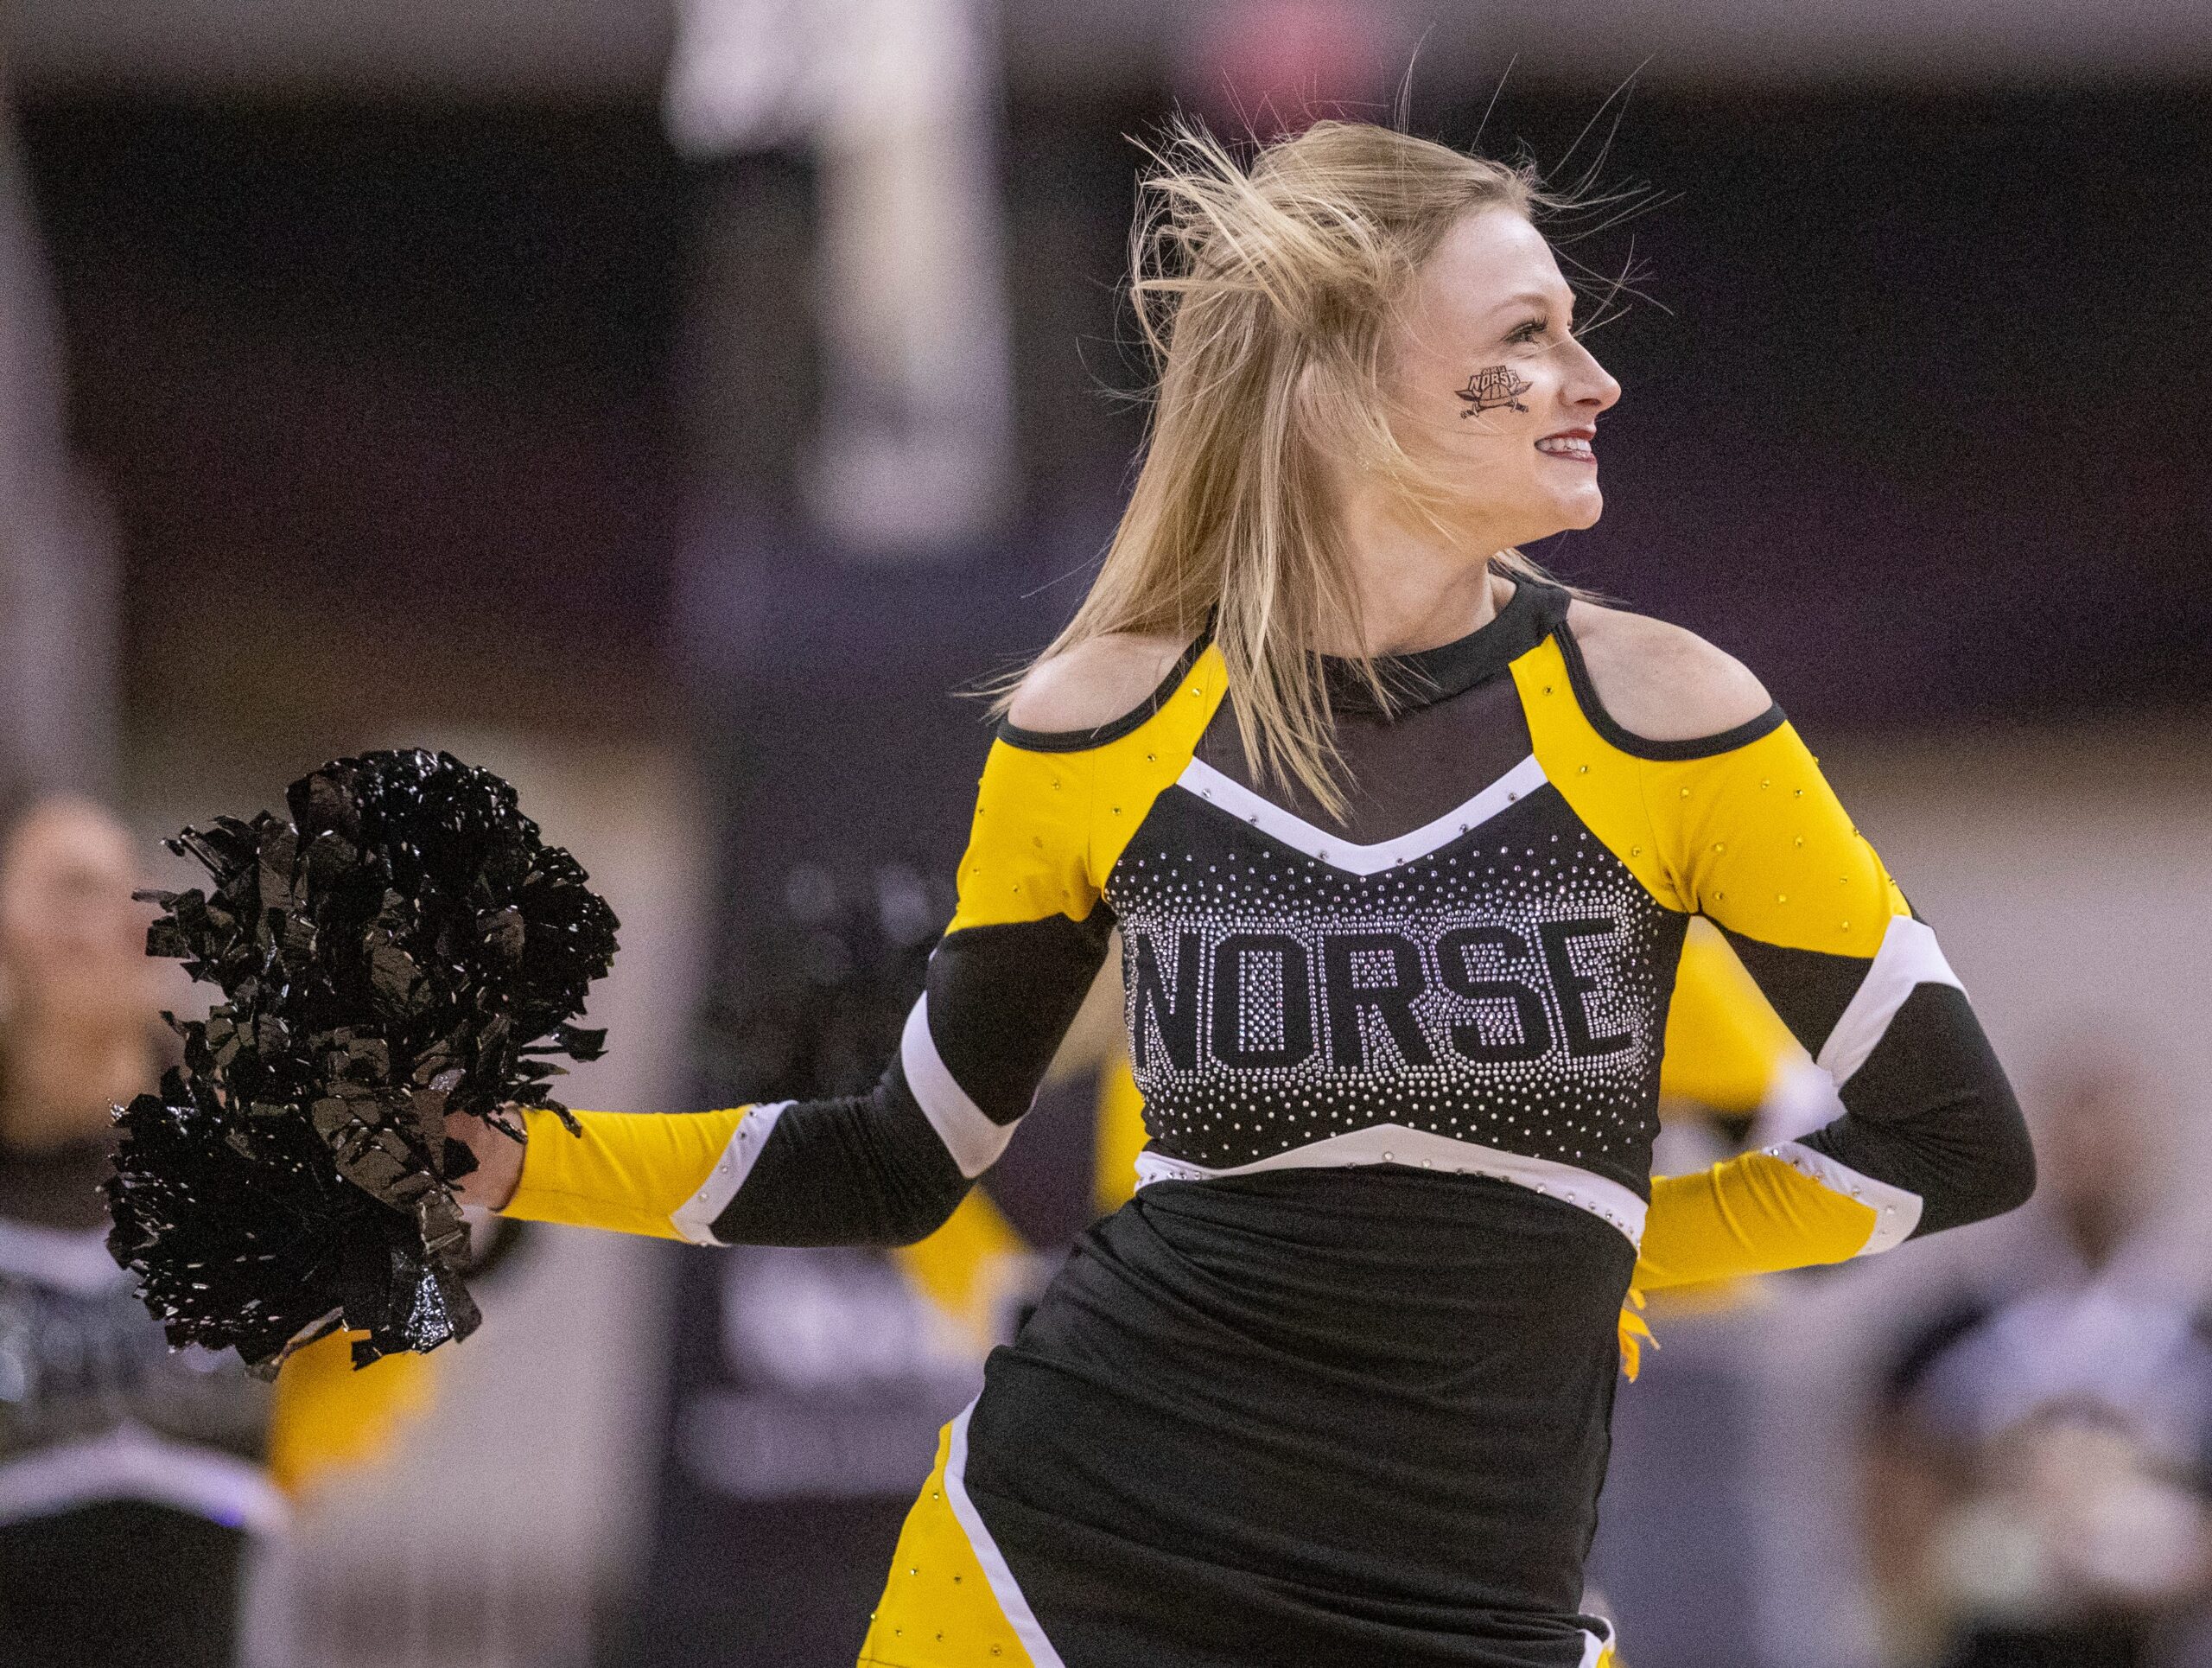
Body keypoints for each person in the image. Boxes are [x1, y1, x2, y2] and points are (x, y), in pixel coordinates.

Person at [450, 120, 2035, 1667]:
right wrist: (516, 1158)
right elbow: (901, 1159)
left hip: (1473, 1602)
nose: (1593, 377)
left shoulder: (1667, 715)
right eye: (1528, 335)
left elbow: (1956, 1139)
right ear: (1347, 385)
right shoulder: (1103, 718)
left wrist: (1608, 1241)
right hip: (1063, 1557)